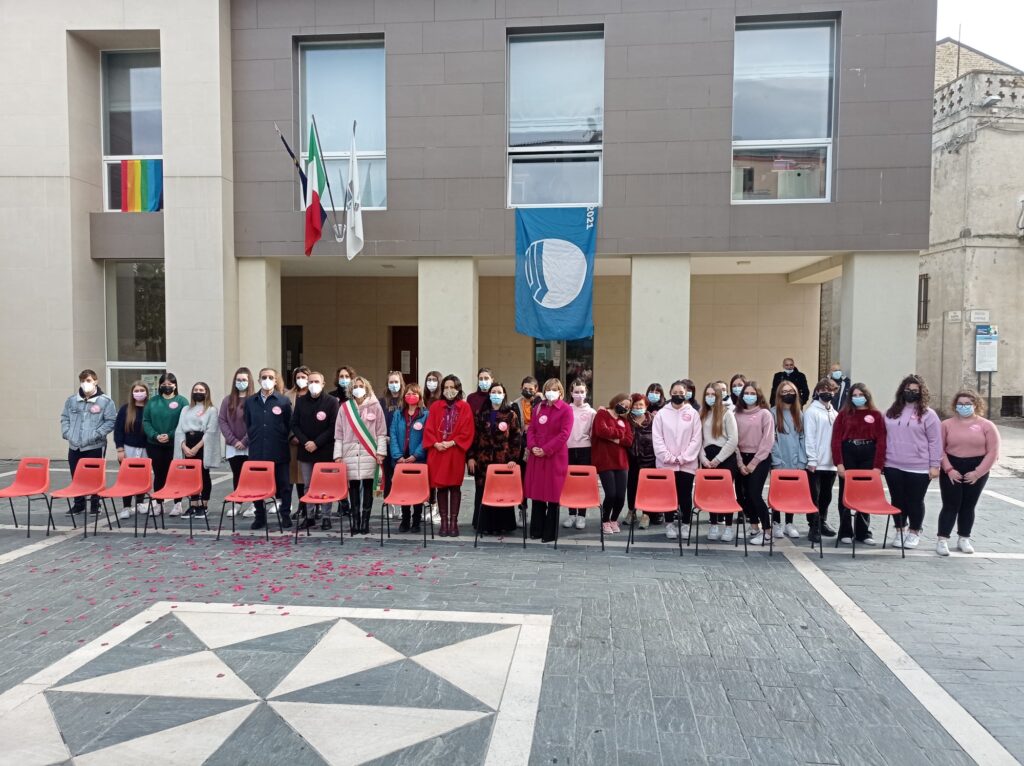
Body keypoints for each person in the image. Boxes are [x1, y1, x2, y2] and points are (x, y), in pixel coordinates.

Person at [937, 389, 1000, 556]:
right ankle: (942, 539)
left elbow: (993, 452)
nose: (963, 407)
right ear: (955, 406)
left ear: (975, 405)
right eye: (960, 404)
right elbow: (939, 449)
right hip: (952, 466)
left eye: (967, 404)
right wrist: (949, 469)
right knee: (950, 504)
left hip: (976, 467)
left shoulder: (987, 426)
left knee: (968, 505)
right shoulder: (946, 424)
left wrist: (978, 473)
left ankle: (964, 537)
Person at [883, 374, 942, 549]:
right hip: (893, 464)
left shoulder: (929, 415)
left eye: (915, 391)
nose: (911, 393)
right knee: (897, 499)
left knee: (915, 500)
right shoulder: (891, 412)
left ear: (921, 393)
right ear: (902, 391)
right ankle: (900, 529)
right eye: (908, 390)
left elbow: (935, 441)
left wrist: (935, 465)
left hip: (918, 466)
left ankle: (914, 531)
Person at [831, 383, 886, 545]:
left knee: (865, 494)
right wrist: (839, 463)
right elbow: (835, 441)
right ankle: (845, 531)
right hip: (849, 453)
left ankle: (863, 532)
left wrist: (878, 466)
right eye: (854, 396)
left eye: (860, 395)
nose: (857, 398)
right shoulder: (843, 415)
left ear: (867, 396)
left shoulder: (876, 415)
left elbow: (882, 441)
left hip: (868, 453)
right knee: (846, 493)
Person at [467, 381, 523, 536]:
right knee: (482, 491)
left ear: (504, 395)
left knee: (502, 492)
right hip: (483, 461)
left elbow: (516, 438)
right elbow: (474, 437)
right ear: (489, 394)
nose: (496, 395)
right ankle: (483, 524)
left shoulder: (511, 415)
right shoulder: (481, 414)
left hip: (503, 462)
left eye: (499, 392)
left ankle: (503, 525)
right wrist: (471, 457)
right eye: (493, 392)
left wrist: (513, 458)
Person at [334, 375, 387, 536]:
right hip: (349, 453)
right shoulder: (345, 408)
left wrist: (381, 452)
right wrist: (338, 455)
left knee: (368, 488)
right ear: (351, 389)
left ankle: (365, 522)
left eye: (361, 385)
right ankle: (355, 522)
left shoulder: (375, 406)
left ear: (366, 388)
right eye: (355, 385)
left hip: (369, 453)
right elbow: (339, 434)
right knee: (354, 488)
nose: (358, 388)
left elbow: (381, 432)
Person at [423, 375, 475, 537]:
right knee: (441, 487)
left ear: (458, 388)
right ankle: (444, 522)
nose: (449, 390)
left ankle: (454, 522)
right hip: (438, 452)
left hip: (455, 452)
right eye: (446, 387)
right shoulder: (436, 406)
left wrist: (452, 442)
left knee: (455, 486)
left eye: (452, 387)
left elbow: (468, 430)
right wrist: (436, 443)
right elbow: (429, 428)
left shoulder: (464, 407)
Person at [61, 369, 116, 517]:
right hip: (75, 445)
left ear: (96, 382)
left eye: (89, 380)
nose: (86, 384)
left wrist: (96, 435)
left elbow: (110, 421)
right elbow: (65, 418)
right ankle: (79, 504)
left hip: (95, 445)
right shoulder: (72, 400)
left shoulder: (105, 401)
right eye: (83, 381)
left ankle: (95, 504)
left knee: (95, 476)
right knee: (76, 475)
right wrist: (67, 433)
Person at [652, 380, 703, 540]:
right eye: (675, 393)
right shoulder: (661, 413)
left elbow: (696, 439)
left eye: (681, 393)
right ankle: (669, 524)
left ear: (686, 394)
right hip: (666, 464)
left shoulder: (693, 413)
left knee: (685, 495)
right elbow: (657, 438)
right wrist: (668, 457)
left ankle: (686, 524)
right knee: (668, 495)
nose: (678, 396)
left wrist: (683, 458)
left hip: (687, 464)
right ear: (670, 393)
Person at [244, 368, 293, 530]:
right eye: (264, 377)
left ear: (276, 380)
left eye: (270, 377)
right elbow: (248, 422)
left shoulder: (284, 401)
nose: (267, 379)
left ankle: (285, 515)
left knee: (284, 484)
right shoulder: (251, 401)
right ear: (259, 380)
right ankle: (260, 516)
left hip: (279, 448)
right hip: (258, 449)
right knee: (257, 485)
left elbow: (289, 424)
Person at [524, 378, 572, 543]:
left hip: (554, 457)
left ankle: (550, 532)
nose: (551, 392)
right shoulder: (538, 408)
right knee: (537, 494)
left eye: (555, 389)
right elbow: (531, 429)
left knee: (552, 495)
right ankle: (536, 529)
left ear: (560, 391)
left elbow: (564, 434)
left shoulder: (566, 410)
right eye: (548, 389)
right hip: (537, 456)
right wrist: (532, 446)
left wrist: (546, 449)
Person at [291, 371, 340, 530]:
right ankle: (309, 516)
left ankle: (326, 516)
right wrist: (306, 442)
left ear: (323, 383)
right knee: (308, 485)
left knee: (326, 485)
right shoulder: (301, 401)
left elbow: (333, 427)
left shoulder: (332, 401)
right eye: (310, 381)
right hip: (306, 451)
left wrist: (316, 443)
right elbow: (294, 424)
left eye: (316, 381)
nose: (313, 384)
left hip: (325, 450)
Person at [734, 382, 776, 545]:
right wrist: (739, 462)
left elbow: (768, 441)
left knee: (754, 494)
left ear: (758, 395)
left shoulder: (765, 414)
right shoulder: (735, 413)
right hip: (740, 458)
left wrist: (753, 464)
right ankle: (754, 527)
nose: (749, 396)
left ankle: (767, 531)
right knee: (742, 496)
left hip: (759, 459)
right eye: (746, 393)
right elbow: (734, 439)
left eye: (753, 393)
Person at [143, 372, 189, 517]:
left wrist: (169, 435)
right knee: (159, 474)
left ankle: (177, 504)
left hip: (174, 444)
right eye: (164, 384)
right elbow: (146, 421)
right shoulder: (153, 401)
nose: (167, 387)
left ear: (175, 385)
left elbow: (183, 423)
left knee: (175, 475)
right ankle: (159, 504)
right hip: (154, 444)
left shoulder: (182, 401)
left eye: (170, 384)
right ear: (159, 386)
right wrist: (155, 435)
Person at [173, 381, 221, 517]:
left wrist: (196, 448)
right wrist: (183, 446)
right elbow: (179, 429)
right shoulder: (185, 409)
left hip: (202, 446)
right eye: (196, 390)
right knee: (190, 477)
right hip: (187, 444)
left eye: (201, 390)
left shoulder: (211, 410)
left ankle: (204, 505)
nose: (198, 392)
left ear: (206, 393)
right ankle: (193, 504)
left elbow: (211, 431)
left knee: (204, 474)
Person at [699, 383, 739, 541]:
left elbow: (733, 439)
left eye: (712, 394)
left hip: (725, 458)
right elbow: (698, 439)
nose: (709, 397)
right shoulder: (702, 413)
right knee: (711, 493)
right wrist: (703, 458)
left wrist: (718, 459)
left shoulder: (727, 413)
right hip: (707, 459)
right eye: (707, 394)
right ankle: (714, 524)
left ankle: (728, 527)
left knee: (726, 493)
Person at [591, 393, 635, 535]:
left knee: (621, 496)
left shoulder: (625, 421)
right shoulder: (602, 414)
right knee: (610, 494)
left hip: (622, 462)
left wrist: (614, 437)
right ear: (616, 401)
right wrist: (620, 434)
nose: (624, 407)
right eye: (622, 404)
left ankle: (614, 519)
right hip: (605, 460)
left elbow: (629, 441)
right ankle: (604, 521)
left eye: (627, 407)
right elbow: (601, 431)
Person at [389, 382, 429, 533]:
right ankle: (405, 519)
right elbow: (392, 434)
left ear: (419, 396)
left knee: (416, 491)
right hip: (400, 459)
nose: (411, 396)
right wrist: (397, 456)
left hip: (417, 459)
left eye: (414, 393)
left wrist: (416, 455)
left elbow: (426, 438)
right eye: (408, 393)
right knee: (404, 490)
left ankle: (416, 520)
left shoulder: (426, 415)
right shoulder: (398, 414)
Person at [769, 379, 806, 539]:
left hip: (795, 460)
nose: (788, 394)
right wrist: (776, 460)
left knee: (792, 493)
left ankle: (789, 523)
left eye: (791, 392)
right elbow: (771, 439)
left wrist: (802, 460)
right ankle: (776, 523)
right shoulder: (772, 413)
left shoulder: (799, 414)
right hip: (779, 460)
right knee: (778, 492)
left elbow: (803, 438)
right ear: (779, 394)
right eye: (784, 392)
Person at [805, 378, 839, 543]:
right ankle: (814, 525)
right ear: (817, 391)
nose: (828, 392)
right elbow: (809, 437)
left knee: (826, 496)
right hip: (816, 463)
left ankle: (822, 521)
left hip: (831, 463)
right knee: (815, 496)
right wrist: (812, 459)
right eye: (824, 389)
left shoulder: (834, 412)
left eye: (831, 390)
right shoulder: (812, 412)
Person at [219, 367, 254, 518]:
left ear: (249, 381)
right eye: (238, 380)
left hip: (250, 445)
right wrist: (233, 441)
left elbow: (256, 422)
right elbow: (222, 420)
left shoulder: (254, 400)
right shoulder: (227, 400)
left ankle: (254, 504)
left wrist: (245, 440)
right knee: (237, 475)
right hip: (233, 446)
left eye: (244, 380)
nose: (241, 382)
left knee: (251, 476)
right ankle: (238, 502)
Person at [113, 380, 150, 519]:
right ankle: (126, 506)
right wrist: (120, 449)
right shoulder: (125, 409)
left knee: (141, 477)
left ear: (147, 392)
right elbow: (118, 431)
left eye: (142, 390)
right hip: (129, 448)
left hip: (145, 449)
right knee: (127, 478)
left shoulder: (150, 408)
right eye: (136, 390)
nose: (139, 393)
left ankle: (140, 503)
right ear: (132, 393)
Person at [563, 379, 595, 530]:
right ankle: (571, 514)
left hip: (584, 449)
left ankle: (581, 515)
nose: (579, 394)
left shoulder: (591, 412)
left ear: (586, 393)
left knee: (583, 484)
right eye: (576, 392)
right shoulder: (566, 410)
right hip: (568, 449)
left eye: (582, 392)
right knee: (570, 483)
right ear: (571, 393)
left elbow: (593, 433)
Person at [626, 393, 656, 529]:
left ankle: (646, 514)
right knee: (631, 486)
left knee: (648, 488)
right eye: (635, 404)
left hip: (649, 459)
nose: (638, 407)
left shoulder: (653, 420)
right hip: (631, 459)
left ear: (646, 406)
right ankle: (632, 511)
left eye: (641, 405)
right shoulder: (626, 419)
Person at [512, 376, 540, 515]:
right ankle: (522, 510)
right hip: (521, 445)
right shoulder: (515, 404)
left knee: (535, 479)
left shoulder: (540, 404)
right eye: (525, 388)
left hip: (536, 445)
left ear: (536, 390)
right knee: (521, 479)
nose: (527, 391)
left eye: (531, 389)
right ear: (521, 388)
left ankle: (537, 511)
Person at [380, 370, 406, 519]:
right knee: (388, 476)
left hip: (401, 446)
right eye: (391, 382)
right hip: (386, 443)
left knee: (400, 477)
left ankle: (402, 504)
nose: (394, 385)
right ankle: (389, 504)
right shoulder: (382, 401)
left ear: (401, 383)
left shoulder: (405, 400)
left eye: (396, 382)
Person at [286, 366, 310, 522]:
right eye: (298, 377)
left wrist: (306, 439)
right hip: (293, 443)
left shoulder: (314, 395)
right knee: (297, 477)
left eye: (304, 377)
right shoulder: (288, 396)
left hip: (310, 442)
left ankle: (313, 507)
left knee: (309, 476)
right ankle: (301, 505)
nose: (301, 380)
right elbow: (284, 419)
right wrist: (292, 436)